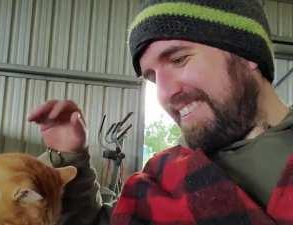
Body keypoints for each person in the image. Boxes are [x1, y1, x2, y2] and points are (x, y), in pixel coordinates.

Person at [28, 0, 293, 224]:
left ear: (247, 53)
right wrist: (71, 159)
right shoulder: (163, 177)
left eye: (178, 59)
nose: (164, 94)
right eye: (152, 77)